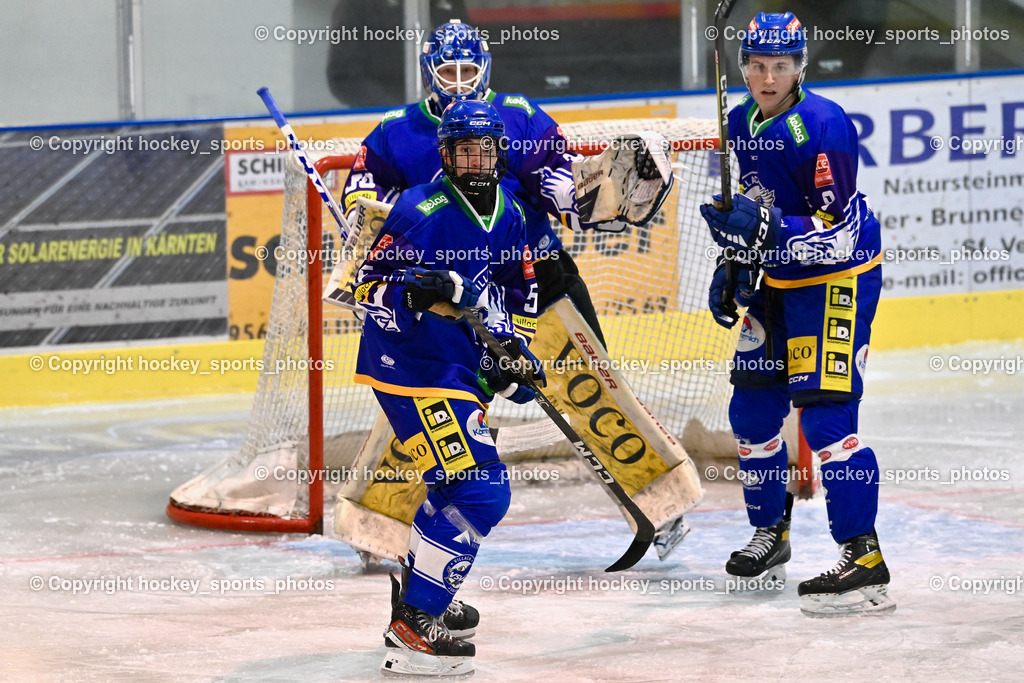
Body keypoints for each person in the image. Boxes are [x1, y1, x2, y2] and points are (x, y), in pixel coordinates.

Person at [699, 11, 894, 617]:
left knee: (828, 421)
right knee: (752, 411)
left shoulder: (824, 125)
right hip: (777, 282)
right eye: (757, 65)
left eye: (779, 66)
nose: (766, 76)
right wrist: (735, 262)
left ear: (799, 67)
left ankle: (863, 558)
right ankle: (770, 532)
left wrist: (769, 229)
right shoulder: (738, 121)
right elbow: (748, 215)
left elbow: (837, 232)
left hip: (835, 281)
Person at [352, 99, 542, 676]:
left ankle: (423, 587)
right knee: (484, 493)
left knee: (452, 488)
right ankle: (414, 624)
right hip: (410, 369)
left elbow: (512, 294)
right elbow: (362, 289)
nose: (475, 159)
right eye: (463, 149)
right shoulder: (419, 209)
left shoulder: (510, 212)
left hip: (461, 370)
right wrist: (406, 293)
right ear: (446, 154)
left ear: (498, 150)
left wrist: (513, 355)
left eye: (484, 147)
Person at [341, 18, 608, 345]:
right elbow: (368, 191)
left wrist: (598, 198)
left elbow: (558, 176)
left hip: (530, 271)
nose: (457, 84)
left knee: (595, 387)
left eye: (466, 72)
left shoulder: (517, 115)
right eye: (448, 72)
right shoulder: (397, 129)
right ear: (429, 73)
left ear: (483, 70)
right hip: (447, 285)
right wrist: (363, 230)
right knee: (468, 388)